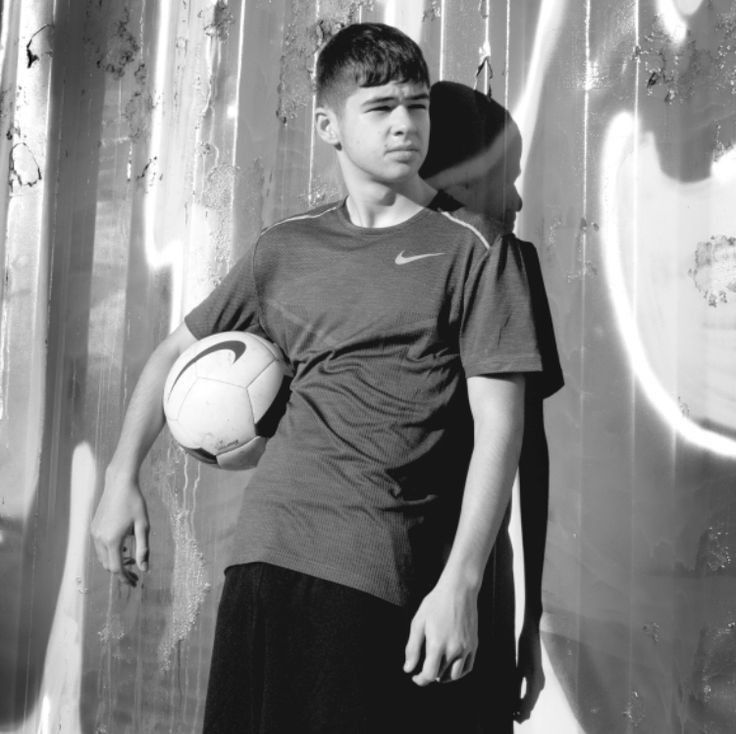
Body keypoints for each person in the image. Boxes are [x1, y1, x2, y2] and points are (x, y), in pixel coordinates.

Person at [91, 22, 544, 733]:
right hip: (262, 562)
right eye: (381, 107)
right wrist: (120, 478)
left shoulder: (478, 249)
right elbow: (168, 356)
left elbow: (502, 427)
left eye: (417, 105)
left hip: (372, 576)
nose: (405, 124)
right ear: (330, 125)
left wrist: (462, 581)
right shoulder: (286, 248)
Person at [421, 80, 564, 730]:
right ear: (458, 179)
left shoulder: (508, 263)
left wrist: (529, 618)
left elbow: (524, 453)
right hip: (394, 586)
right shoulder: (495, 257)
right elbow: (530, 457)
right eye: (503, 177)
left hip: (470, 589)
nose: (517, 197)